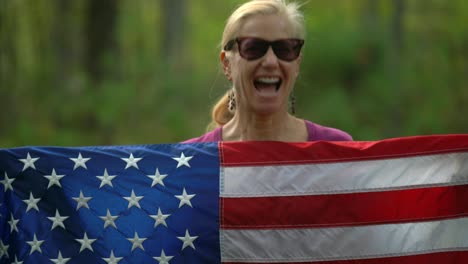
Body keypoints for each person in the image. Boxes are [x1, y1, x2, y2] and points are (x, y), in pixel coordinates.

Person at [185, 0, 352, 143]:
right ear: (227, 64)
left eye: (284, 49)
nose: (271, 61)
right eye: (253, 48)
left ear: (297, 64)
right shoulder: (191, 163)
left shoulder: (337, 150)